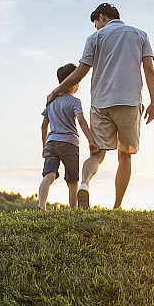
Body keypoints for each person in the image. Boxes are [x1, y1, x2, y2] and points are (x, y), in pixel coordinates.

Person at [46, 3, 154, 209]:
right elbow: (149, 68)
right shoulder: (140, 35)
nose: (96, 27)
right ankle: (117, 206)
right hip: (129, 102)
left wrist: (55, 91)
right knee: (124, 155)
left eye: (95, 23)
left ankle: (85, 184)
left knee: (97, 154)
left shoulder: (94, 38)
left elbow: (80, 72)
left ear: (101, 17)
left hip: (100, 103)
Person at [39, 63, 99, 210]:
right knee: (72, 181)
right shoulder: (74, 101)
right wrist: (91, 141)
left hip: (51, 143)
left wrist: (44, 146)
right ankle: (73, 210)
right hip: (70, 144)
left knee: (49, 175)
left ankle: (41, 207)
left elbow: (43, 125)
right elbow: (81, 120)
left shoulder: (51, 101)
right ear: (73, 82)